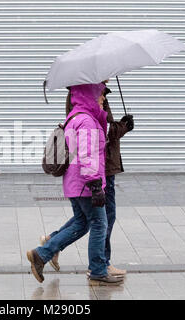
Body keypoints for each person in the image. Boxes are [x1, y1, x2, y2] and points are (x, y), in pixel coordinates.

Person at [27, 82, 123, 286]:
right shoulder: (87, 121)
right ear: (89, 95)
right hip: (86, 184)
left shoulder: (75, 117)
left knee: (82, 223)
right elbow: (87, 155)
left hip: (74, 183)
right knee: (99, 223)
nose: (103, 98)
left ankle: (42, 254)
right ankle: (98, 270)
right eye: (100, 94)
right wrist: (96, 185)